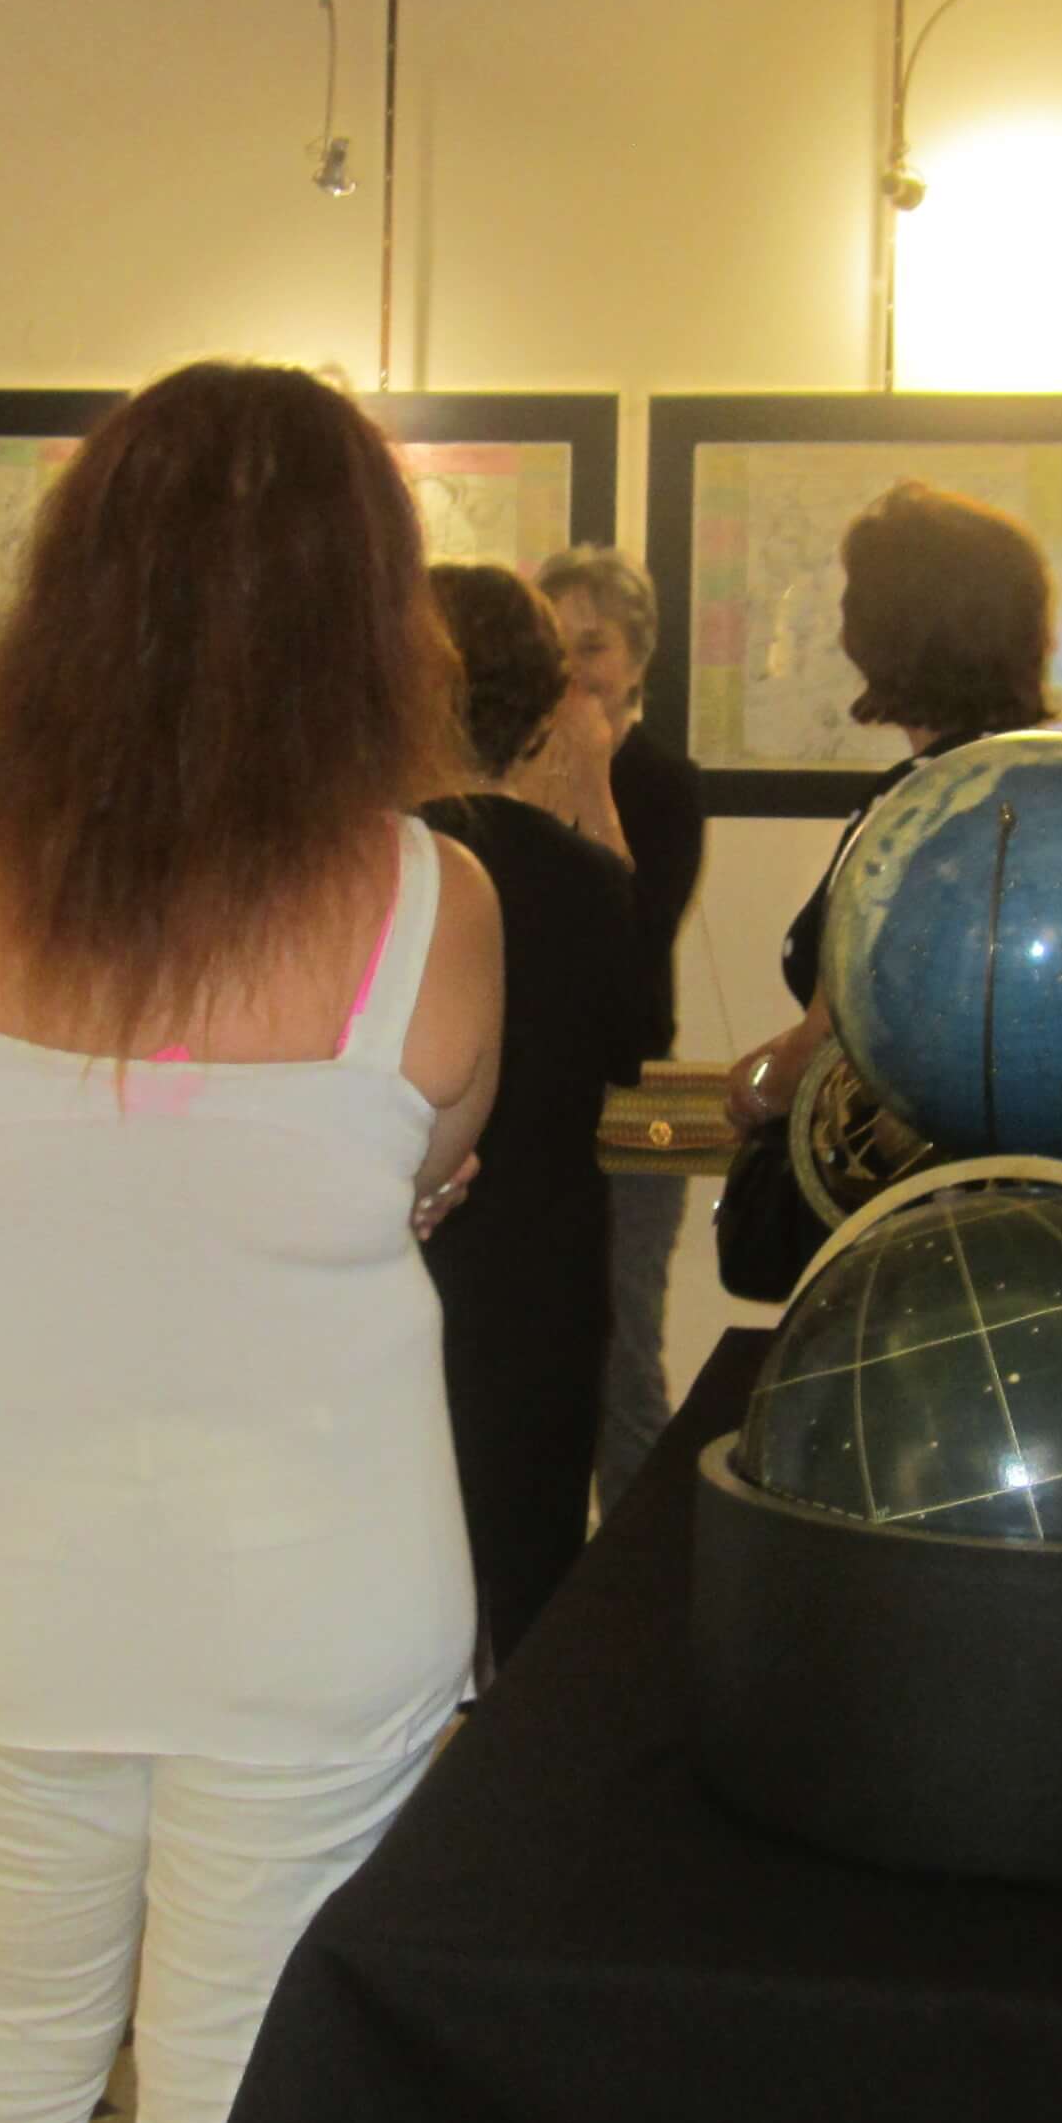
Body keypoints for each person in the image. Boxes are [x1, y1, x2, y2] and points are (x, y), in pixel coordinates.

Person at [0, 365, 504, 2123]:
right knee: (236, 2064)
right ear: (368, 603)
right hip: (316, 1591)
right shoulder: (430, 899)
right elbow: (432, 1166)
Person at [422, 561, 647, 1665]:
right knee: (530, 1580)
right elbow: (633, 1043)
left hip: (416, 1256)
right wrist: (594, 800)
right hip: (548, 1269)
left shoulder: (377, 869)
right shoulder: (585, 877)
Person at [722, 482, 1054, 1137]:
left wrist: (764, 1085)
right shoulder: (1039, 782)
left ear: (886, 630)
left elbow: (845, 1024)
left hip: (902, 1176)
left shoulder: (918, 808)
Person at [539, 545, 705, 1511]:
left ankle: (643, 1580)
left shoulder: (664, 783)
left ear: (638, 658)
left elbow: (633, 944)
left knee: (622, 1360)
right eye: (555, 647)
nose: (574, 670)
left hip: (638, 1100)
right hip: (532, 1097)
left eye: (593, 646)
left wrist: (592, 779)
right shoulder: (512, 775)